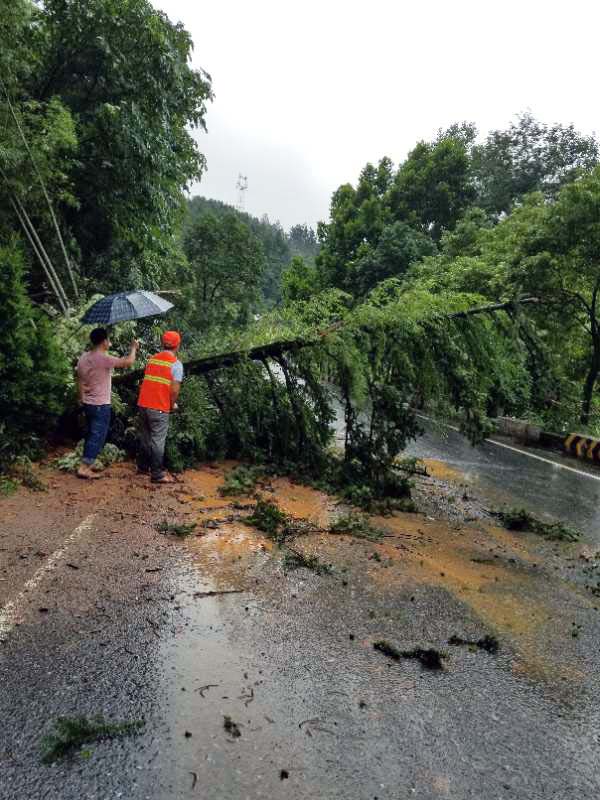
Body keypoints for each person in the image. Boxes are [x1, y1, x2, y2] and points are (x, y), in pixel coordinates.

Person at [76, 328, 139, 479]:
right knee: (97, 436)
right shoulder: (103, 358)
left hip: (88, 403)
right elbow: (129, 362)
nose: (109, 342)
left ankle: (86, 463)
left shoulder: (84, 357)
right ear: (104, 342)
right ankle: (84, 468)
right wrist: (133, 348)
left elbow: (78, 378)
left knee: (91, 434)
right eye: (108, 339)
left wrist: (81, 398)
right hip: (100, 404)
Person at [136, 330, 183, 484]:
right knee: (157, 440)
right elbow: (174, 390)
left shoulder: (152, 359)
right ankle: (157, 474)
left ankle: (142, 467)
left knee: (145, 437)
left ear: (162, 343)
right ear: (178, 345)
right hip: (159, 407)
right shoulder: (176, 364)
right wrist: (171, 405)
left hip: (143, 404)